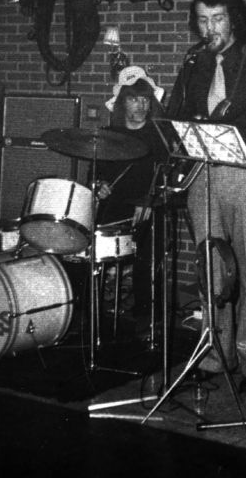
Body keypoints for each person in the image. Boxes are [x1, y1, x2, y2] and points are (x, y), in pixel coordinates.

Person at [166, 0, 246, 393]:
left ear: (233, 20)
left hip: (245, 175)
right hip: (202, 172)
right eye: (203, 20)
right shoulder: (194, 64)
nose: (210, 28)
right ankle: (216, 354)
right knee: (211, 268)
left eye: (217, 19)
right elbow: (178, 116)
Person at [95, 66, 169, 320]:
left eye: (145, 99)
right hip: (116, 207)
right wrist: (100, 185)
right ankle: (96, 309)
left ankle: (145, 317)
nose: (141, 106)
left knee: (147, 259)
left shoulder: (159, 135)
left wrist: (149, 200)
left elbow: (166, 175)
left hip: (148, 206)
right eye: (134, 99)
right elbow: (97, 173)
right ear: (122, 103)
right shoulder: (109, 135)